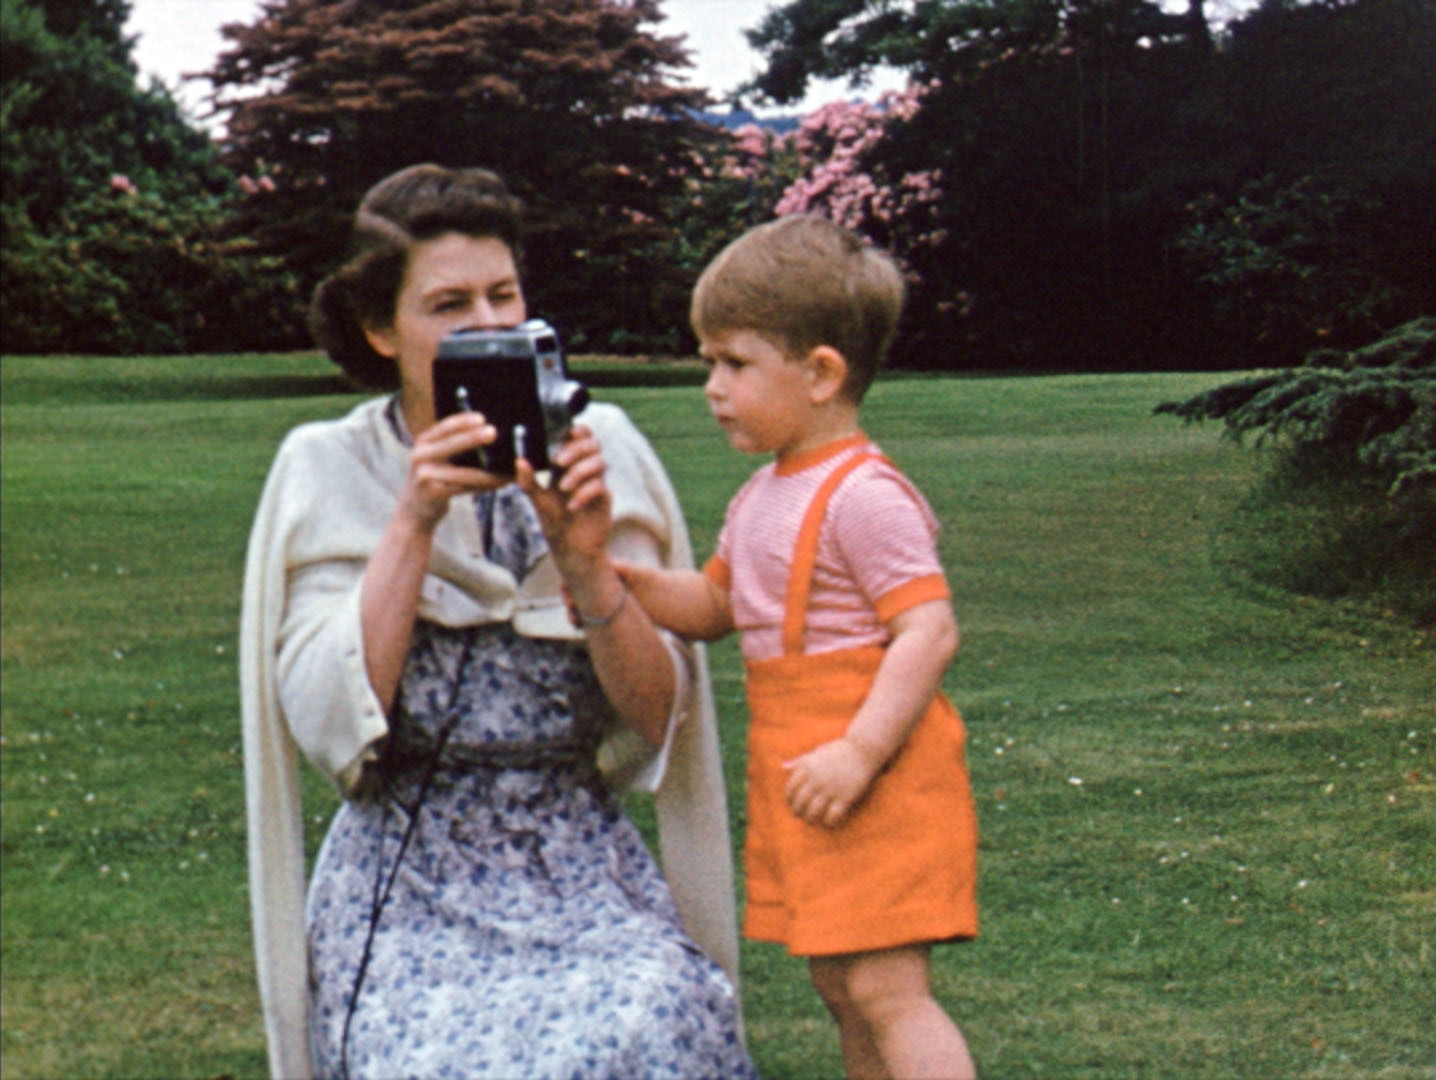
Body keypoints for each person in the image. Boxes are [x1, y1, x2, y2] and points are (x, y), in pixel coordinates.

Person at [239, 164, 754, 1080]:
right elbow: (330, 727)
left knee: (652, 1021)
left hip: (577, 863)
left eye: (503, 295)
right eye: (448, 305)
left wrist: (589, 562)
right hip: (409, 876)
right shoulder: (331, 467)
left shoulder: (605, 447)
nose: (486, 325)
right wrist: (413, 519)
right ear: (380, 329)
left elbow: (656, 717)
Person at [618, 215, 980, 1079]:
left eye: (734, 363)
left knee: (890, 991)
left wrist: (859, 752)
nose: (712, 385)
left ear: (821, 374)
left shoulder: (866, 495)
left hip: (875, 779)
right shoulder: (761, 496)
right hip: (803, 776)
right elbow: (711, 604)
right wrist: (609, 578)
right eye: (709, 361)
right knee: (842, 987)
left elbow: (928, 631)